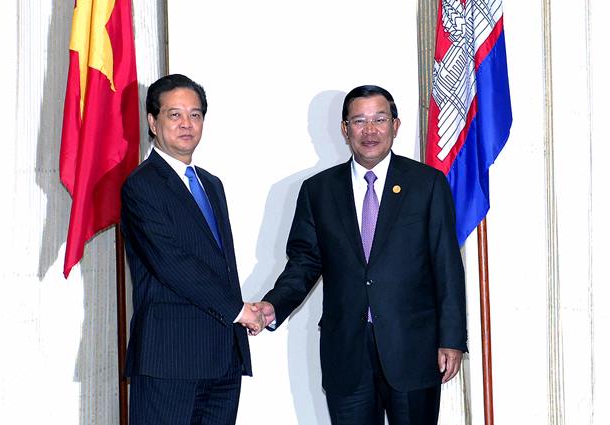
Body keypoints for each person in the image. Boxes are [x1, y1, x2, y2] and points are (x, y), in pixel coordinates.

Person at [251, 85, 467, 424]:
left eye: (380, 119)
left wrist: (452, 338)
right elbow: (305, 263)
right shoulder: (318, 191)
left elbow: (447, 266)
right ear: (345, 128)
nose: (370, 130)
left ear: (395, 126)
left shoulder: (427, 184)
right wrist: (273, 306)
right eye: (359, 121)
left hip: (413, 348)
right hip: (346, 352)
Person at [121, 74, 264, 425]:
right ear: (152, 122)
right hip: (169, 358)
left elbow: (219, 266)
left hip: (223, 356)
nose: (187, 123)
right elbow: (171, 263)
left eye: (195, 114)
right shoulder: (141, 185)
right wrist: (238, 310)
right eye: (175, 114)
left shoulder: (211, 184)